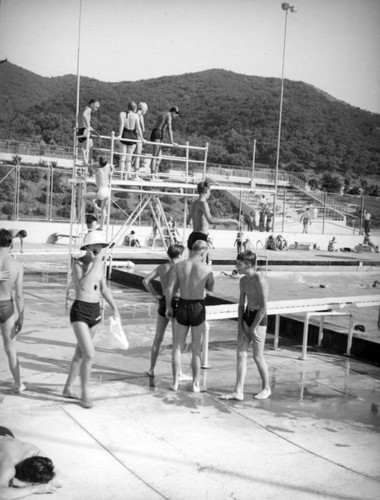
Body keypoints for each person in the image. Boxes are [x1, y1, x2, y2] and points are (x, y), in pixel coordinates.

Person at [63, 231, 120, 409]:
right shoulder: (78, 264)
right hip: (80, 310)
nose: (99, 251)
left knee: (80, 353)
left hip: (94, 311)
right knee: (89, 353)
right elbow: (84, 285)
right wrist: (95, 262)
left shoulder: (99, 266)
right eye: (95, 248)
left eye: (101, 248)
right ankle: (85, 394)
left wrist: (115, 307)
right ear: (87, 248)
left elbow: (103, 288)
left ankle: (67, 388)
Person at [220, 251, 271, 401]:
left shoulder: (259, 280)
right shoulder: (243, 281)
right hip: (247, 316)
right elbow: (241, 304)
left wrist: (253, 327)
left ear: (248, 265)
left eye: (239, 264)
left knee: (257, 356)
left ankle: (266, 387)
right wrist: (241, 325)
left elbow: (263, 307)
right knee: (240, 354)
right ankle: (238, 391)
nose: (236, 266)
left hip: (259, 319)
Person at [166, 240, 214, 393]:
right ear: (203, 251)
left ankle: (174, 383)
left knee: (177, 347)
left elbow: (170, 288)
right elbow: (211, 288)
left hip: (183, 304)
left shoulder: (179, 266)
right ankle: (195, 384)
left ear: (191, 249)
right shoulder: (207, 268)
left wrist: (168, 306)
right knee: (196, 348)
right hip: (198, 306)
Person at [142, 244, 191, 380]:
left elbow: (145, 281)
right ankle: (178, 373)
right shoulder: (181, 268)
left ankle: (152, 369)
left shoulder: (162, 267)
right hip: (177, 302)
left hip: (163, 301)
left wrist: (156, 295)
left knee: (158, 337)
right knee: (177, 341)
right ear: (180, 255)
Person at [0, 426, 63, 498]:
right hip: (3, 439)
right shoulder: (8, 465)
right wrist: (34, 489)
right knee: (10, 486)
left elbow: (60, 482)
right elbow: (2, 495)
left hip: (4, 433)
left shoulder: (35, 453)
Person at [0, 229, 25, 393]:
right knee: (10, 348)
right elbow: (19, 295)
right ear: (10, 243)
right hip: (6, 306)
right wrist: (21, 317)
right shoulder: (16, 265)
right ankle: (18, 384)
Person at [187, 180, 238, 253]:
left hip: (192, 236)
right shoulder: (203, 203)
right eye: (210, 191)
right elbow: (210, 220)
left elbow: (188, 222)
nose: (209, 193)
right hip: (200, 237)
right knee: (201, 263)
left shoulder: (193, 204)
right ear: (206, 190)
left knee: (191, 262)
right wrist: (229, 220)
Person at [82, 156, 112, 231]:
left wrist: (83, 154)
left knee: (84, 196)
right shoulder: (108, 166)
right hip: (107, 191)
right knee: (103, 209)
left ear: (99, 162)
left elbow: (85, 163)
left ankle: (95, 206)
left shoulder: (97, 168)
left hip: (101, 191)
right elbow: (112, 168)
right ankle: (102, 226)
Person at [117, 101, 145, 180]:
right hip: (132, 136)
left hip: (124, 135)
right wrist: (142, 138)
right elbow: (138, 128)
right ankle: (126, 176)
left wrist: (119, 135)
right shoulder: (136, 116)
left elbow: (121, 125)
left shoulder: (122, 114)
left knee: (122, 158)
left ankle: (120, 176)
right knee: (129, 159)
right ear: (135, 108)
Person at [150, 106, 179, 176]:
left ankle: (155, 172)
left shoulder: (163, 114)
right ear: (173, 112)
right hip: (158, 133)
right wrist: (172, 142)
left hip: (157, 132)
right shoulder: (168, 116)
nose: (177, 115)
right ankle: (152, 174)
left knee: (158, 156)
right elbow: (169, 129)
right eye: (177, 113)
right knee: (155, 156)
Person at [76, 99, 100, 170]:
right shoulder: (88, 109)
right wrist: (88, 127)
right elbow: (84, 116)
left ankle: (86, 164)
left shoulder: (83, 109)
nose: (96, 109)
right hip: (85, 130)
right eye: (96, 107)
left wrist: (95, 132)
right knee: (89, 148)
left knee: (88, 148)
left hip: (80, 130)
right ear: (91, 104)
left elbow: (83, 120)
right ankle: (87, 163)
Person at [134, 102, 148, 173]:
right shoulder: (139, 116)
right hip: (138, 137)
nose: (146, 111)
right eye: (145, 109)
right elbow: (141, 129)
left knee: (133, 156)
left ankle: (129, 174)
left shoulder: (134, 114)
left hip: (135, 136)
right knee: (138, 156)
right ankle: (135, 174)